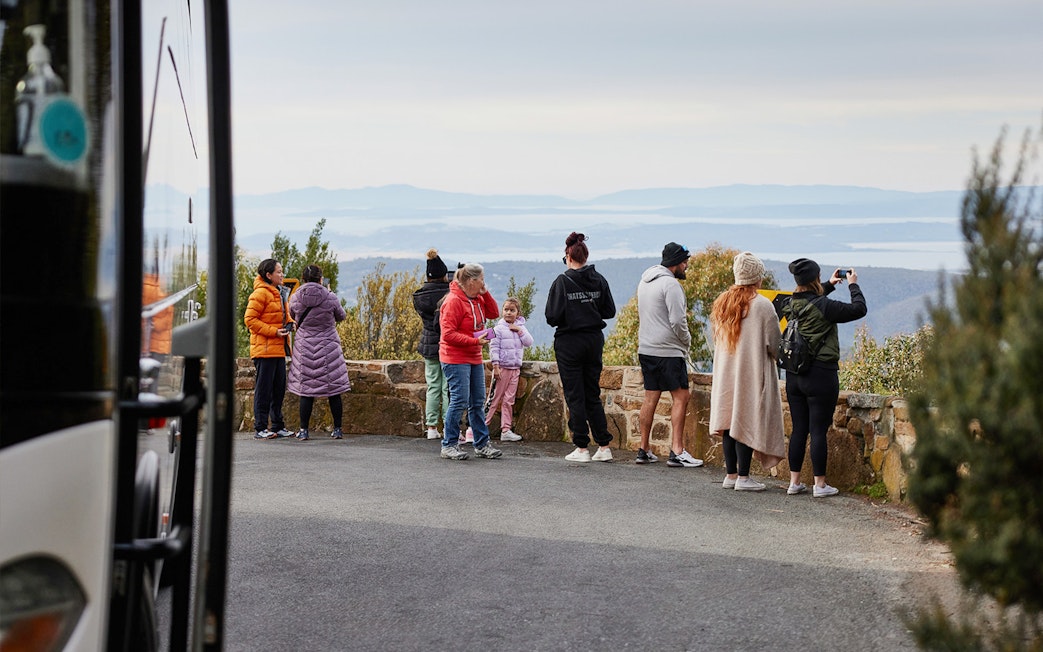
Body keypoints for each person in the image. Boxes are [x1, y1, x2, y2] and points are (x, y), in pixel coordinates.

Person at [782, 258, 867, 497]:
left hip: (794, 374)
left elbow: (810, 300)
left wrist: (828, 284)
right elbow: (859, 309)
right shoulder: (825, 307)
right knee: (818, 429)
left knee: (799, 429)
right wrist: (852, 285)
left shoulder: (789, 303)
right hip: (821, 374)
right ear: (815, 279)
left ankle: (794, 481)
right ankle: (819, 485)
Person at [708, 252, 786, 491]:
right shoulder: (762, 305)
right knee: (745, 418)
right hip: (751, 371)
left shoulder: (723, 302)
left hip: (726, 371)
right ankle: (743, 477)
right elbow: (775, 344)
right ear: (757, 277)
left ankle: (731, 475)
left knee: (729, 421)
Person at [545, 232, 617, 463]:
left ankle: (582, 447)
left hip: (570, 342)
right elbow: (609, 311)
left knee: (575, 394)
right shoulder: (599, 279)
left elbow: (552, 316)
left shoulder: (562, 282)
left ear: (568, 256)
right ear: (585, 255)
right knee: (592, 393)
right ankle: (604, 445)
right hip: (594, 340)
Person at [635, 242, 704, 468]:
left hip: (646, 348)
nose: (686, 266)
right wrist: (687, 340)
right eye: (685, 261)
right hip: (669, 351)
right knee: (681, 397)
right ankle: (677, 450)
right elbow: (677, 320)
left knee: (650, 397)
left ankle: (643, 448)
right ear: (676, 263)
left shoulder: (644, 283)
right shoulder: (671, 285)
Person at [438, 263, 502, 461]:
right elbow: (448, 334)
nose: (484, 282)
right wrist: (475, 341)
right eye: (481, 279)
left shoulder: (477, 299)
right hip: (455, 357)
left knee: (476, 401)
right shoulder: (453, 301)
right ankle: (449, 444)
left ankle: (481, 443)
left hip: (474, 356)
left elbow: (493, 313)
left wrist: (486, 292)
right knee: (459, 400)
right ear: (472, 281)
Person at [287, 264, 351, 441]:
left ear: (303, 279)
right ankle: (337, 429)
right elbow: (341, 316)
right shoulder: (330, 297)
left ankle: (304, 430)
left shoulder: (295, 298)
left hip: (304, 346)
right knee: (334, 389)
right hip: (328, 345)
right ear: (321, 279)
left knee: (306, 390)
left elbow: (292, 315)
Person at [244, 258, 294, 439]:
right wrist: (274, 332)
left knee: (279, 389)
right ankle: (260, 428)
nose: (282, 275)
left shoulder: (279, 293)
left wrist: (290, 323)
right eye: (279, 272)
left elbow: (283, 316)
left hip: (278, 349)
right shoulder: (260, 294)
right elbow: (250, 320)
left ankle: (278, 426)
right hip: (264, 351)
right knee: (264, 390)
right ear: (268, 275)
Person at [412, 248, 451, 440]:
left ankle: (431, 427)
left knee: (433, 386)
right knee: (448, 388)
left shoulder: (419, 297)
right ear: (444, 275)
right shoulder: (449, 295)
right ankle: (448, 426)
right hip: (447, 345)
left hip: (428, 345)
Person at [485, 296, 534, 441]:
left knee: (509, 400)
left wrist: (519, 330)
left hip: (515, 369)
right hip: (502, 369)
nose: (508, 313)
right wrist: (496, 366)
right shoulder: (497, 329)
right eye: (506, 309)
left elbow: (529, 342)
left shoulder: (520, 328)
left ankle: (506, 430)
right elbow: (493, 348)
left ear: (518, 313)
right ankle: (480, 427)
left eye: (512, 310)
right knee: (494, 399)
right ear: (502, 311)